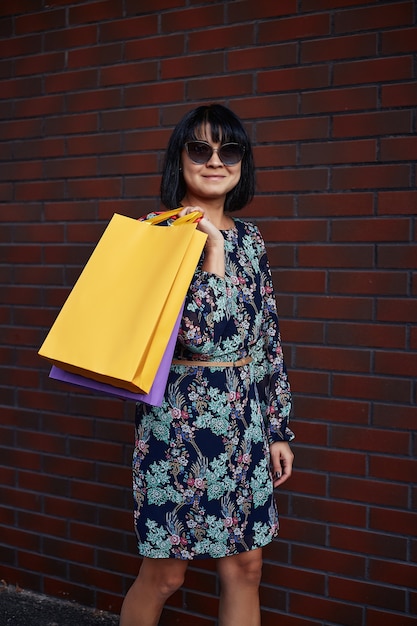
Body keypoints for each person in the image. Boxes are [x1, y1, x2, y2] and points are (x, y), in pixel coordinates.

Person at [120, 103, 294, 626]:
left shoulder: (253, 240)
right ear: (180, 159)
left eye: (229, 149)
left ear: (243, 162)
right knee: (166, 574)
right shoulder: (158, 236)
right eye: (200, 148)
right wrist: (211, 250)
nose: (215, 160)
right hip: (178, 422)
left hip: (244, 422)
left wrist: (278, 428)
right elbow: (204, 339)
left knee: (246, 565)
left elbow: (265, 338)